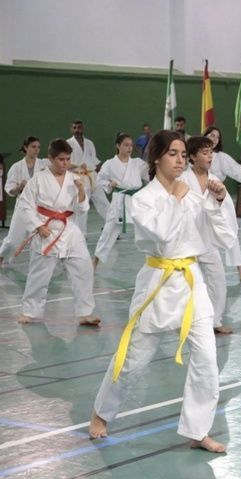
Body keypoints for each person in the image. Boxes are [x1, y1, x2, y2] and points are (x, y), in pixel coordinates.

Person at [89, 130, 237, 452]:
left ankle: (198, 430)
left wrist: (218, 201)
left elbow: (223, 237)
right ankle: (101, 412)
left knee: (207, 359)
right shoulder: (142, 199)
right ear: (156, 158)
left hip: (192, 282)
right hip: (158, 282)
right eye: (173, 153)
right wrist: (176, 199)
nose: (180, 160)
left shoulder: (194, 195)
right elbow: (162, 234)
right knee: (134, 360)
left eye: (183, 154)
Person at [15, 139, 100, 326]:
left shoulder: (74, 179)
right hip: (46, 230)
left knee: (84, 269)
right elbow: (25, 205)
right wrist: (38, 226)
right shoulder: (39, 179)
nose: (65, 163)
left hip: (69, 229)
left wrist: (81, 191)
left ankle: (85, 313)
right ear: (51, 158)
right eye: (61, 159)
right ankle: (30, 311)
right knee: (39, 274)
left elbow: (81, 209)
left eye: (68, 159)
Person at [182, 136, 236, 334]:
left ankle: (215, 320)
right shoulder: (182, 180)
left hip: (207, 240)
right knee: (184, 284)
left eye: (211, 152)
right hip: (186, 242)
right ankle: (184, 319)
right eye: (204, 153)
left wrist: (220, 198)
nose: (210, 156)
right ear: (192, 157)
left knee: (218, 282)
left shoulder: (215, 181)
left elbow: (226, 211)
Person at [203, 126, 241, 282]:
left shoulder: (221, 158)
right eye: (211, 135)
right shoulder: (196, 155)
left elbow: (236, 170)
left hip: (219, 198)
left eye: (217, 137)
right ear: (205, 136)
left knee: (231, 232)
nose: (214, 138)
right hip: (199, 199)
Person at [92, 133, 148, 268]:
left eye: (131, 145)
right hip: (119, 200)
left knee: (149, 228)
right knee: (108, 231)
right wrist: (109, 184)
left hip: (136, 200)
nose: (129, 148)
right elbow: (100, 180)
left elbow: (150, 175)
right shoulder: (110, 164)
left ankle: (158, 259)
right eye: (126, 145)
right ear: (118, 146)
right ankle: (95, 261)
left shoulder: (138, 163)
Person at [0, 137, 49, 264]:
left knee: (42, 239)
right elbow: (10, 190)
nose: (36, 150)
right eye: (33, 147)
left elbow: (61, 165)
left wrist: (77, 167)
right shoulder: (16, 167)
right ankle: (1, 257)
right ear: (25, 148)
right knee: (12, 241)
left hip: (40, 207)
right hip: (23, 207)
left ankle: (44, 265)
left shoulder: (44, 164)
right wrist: (19, 187)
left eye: (38, 147)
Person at [67, 120, 110, 230]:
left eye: (79, 127)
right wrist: (78, 166)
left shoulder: (89, 143)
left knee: (104, 202)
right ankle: (81, 233)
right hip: (79, 177)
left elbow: (94, 160)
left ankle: (111, 228)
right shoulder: (68, 144)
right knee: (83, 206)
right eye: (75, 128)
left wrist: (104, 171)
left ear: (83, 128)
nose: (77, 130)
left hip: (92, 176)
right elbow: (66, 163)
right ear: (71, 130)